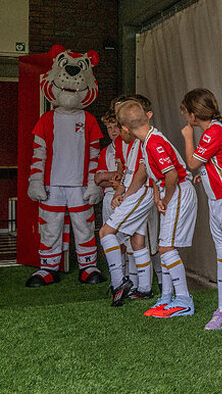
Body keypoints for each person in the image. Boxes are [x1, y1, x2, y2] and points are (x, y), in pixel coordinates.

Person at [117, 100, 198, 318]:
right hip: (170, 190)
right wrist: (156, 193)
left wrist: (167, 197)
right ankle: (168, 297)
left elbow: (171, 174)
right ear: (148, 116)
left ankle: (183, 299)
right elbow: (157, 174)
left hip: (179, 189)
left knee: (166, 248)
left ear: (125, 128)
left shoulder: (153, 142)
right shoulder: (147, 141)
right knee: (165, 246)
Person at [180, 88, 222, 330]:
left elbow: (193, 163)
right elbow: (214, 164)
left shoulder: (213, 131)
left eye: (186, 113)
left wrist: (187, 136)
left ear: (193, 115)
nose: (186, 119)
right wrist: (205, 176)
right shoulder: (215, 129)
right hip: (219, 200)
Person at [99, 97, 159, 305]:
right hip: (137, 192)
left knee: (106, 232)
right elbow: (130, 171)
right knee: (137, 239)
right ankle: (144, 288)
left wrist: (125, 195)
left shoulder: (146, 139)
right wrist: (121, 190)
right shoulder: (135, 142)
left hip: (141, 193)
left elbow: (142, 172)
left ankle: (118, 283)